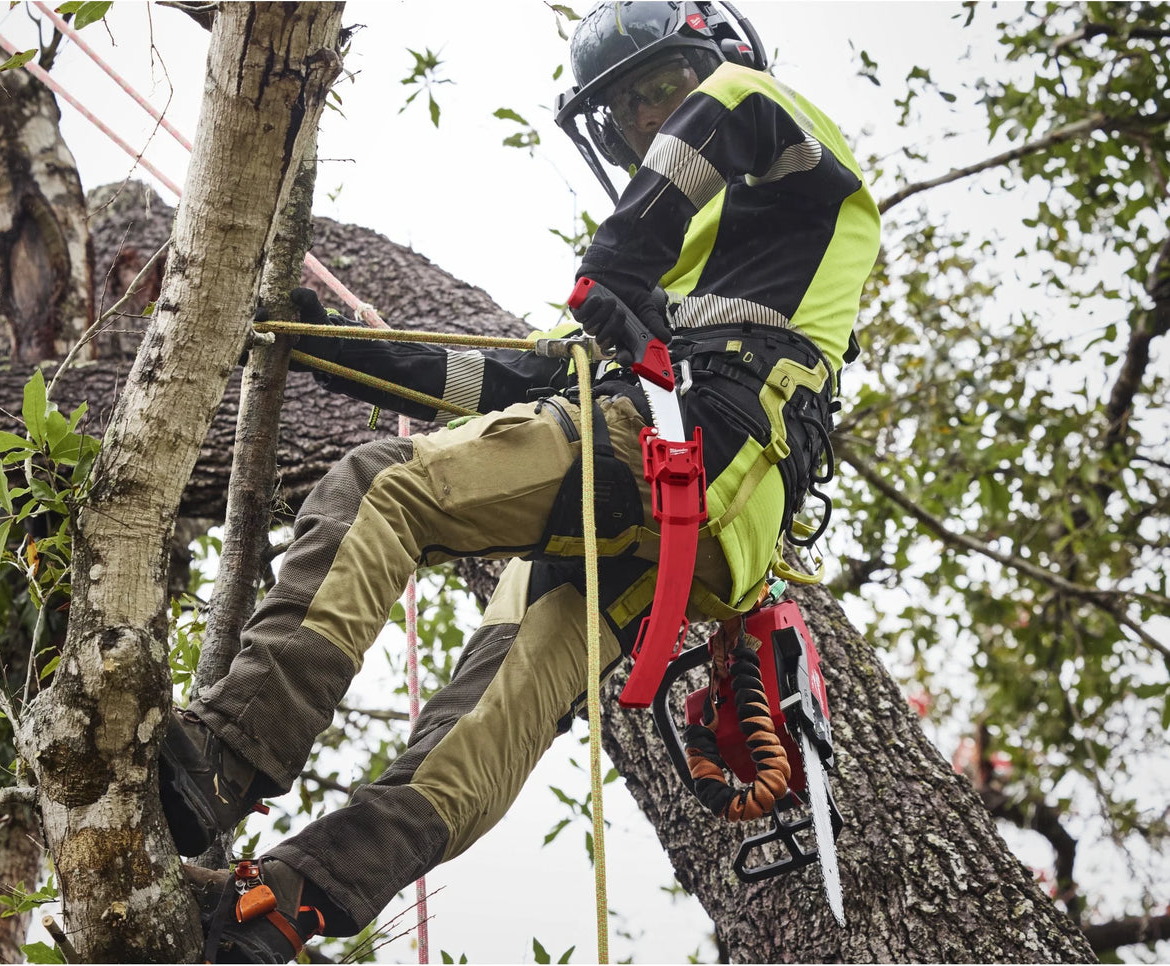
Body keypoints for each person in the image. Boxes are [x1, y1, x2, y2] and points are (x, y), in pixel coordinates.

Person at [158, 2, 881, 960]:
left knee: (387, 486)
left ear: (713, 60)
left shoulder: (780, 136)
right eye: (626, 113)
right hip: (699, 527)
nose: (650, 122)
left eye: (659, 92)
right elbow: (505, 377)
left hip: (681, 442)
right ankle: (291, 902)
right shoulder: (660, 297)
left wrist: (614, 265)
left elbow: (727, 112)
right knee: (498, 704)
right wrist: (334, 349)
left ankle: (228, 752)